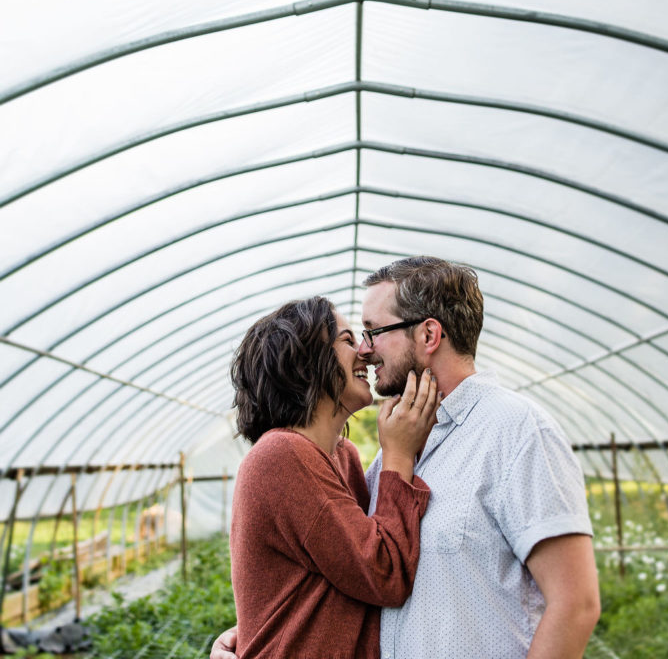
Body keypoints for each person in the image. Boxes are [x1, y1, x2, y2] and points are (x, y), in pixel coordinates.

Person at [212, 258, 601, 659]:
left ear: (429, 334)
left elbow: (575, 604)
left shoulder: (515, 430)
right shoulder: (393, 455)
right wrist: (259, 628)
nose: (365, 349)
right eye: (355, 337)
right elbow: (348, 569)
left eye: (373, 332)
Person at [225, 295, 439, 659]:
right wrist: (398, 455)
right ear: (305, 362)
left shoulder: (343, 457)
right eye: (347, 339)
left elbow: (337, 575)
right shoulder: (280, 456)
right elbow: (382, 572)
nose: (365, 352)